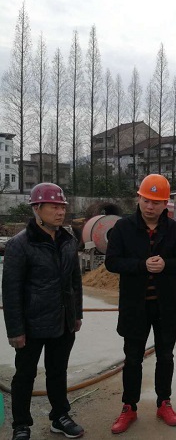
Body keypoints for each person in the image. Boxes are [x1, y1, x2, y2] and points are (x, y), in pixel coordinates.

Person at [105, 174, 176, 434]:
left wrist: (167, 264)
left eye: (156, 202)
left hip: (166, 306)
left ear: (165, 203)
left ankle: (164, 402)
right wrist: (141, 265)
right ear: (139, 198)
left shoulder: (174, 230)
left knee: (165, 357)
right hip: (135, 306)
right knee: (133, 359)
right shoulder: (123, 228)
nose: (150, 206)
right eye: (146, 200)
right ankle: (129, 407)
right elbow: (112, 262)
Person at [2, 183, 84, 440]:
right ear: (37, 208)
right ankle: (21, 425)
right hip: (32, 323)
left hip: (63, 320)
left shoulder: (68, 241)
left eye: (62, 207)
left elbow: (75, 281)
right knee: (25, 375)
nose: (60, 212)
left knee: (57, 371)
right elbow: (11, 291)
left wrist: (77, 314)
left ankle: (60, 416)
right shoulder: (20, 244)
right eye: (54, 207)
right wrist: (15, 330)